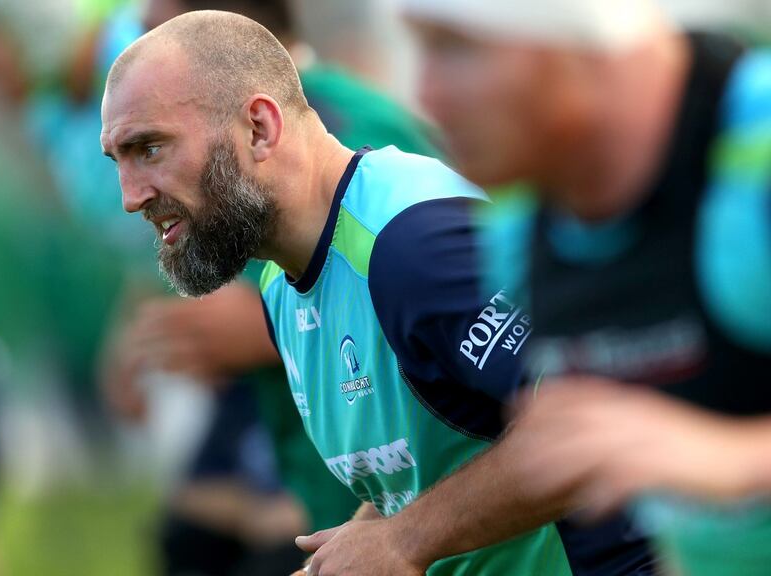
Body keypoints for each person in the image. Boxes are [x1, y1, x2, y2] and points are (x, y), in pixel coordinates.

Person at [101, 10, 580, 576]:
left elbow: (578, 428)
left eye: (150, 148)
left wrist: (406, 541)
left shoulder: (411, 245)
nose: (131, 196)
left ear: (259, 127)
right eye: (119, 160)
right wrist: (356, 546)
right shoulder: (280, 282)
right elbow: (439, 460)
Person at [355, 0, 770, 574]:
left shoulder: (754, 155)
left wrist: (733, 461)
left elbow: (700, 459)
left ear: (583, 41)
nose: (426, 96)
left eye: (456, 47)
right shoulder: (517, 227)